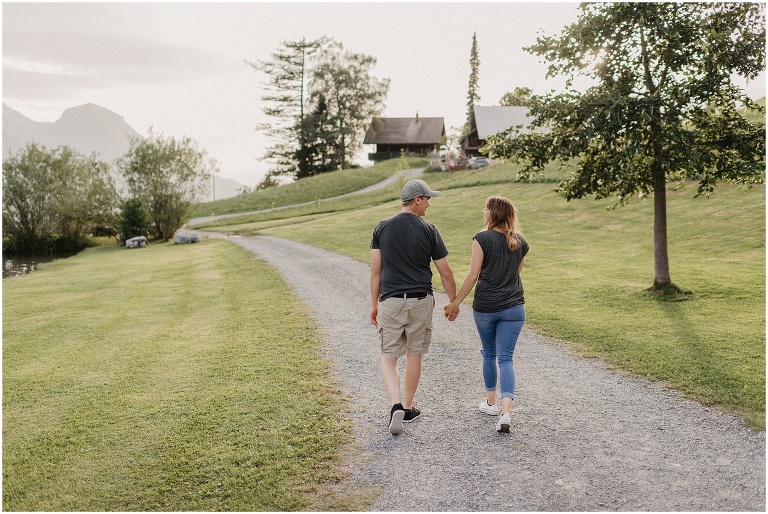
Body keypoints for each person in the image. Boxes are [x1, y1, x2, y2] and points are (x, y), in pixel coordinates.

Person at [370, 179, 457, 435]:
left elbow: (376, 270)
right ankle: (407, 408)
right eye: (428, 199)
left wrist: (374, 304)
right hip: (420, 300)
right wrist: (452, 302)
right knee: (414, 354)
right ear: (417, 199)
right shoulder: (430, 230)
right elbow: (446, 272)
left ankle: (395, 404)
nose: (429, 204)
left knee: (389, 356)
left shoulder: (382, 227)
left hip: (391, 301)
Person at [444, 196, 528, 433]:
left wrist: (455, 303)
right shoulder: (521, 242)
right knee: (506, 359)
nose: (484, 212)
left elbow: (473, 275)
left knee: (489, 353)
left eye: (487, 209)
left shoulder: (482, 239)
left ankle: (491, 403)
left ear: (495, 214)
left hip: (486, 307)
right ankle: (506, 412)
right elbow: (515, 274)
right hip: (514, 307)